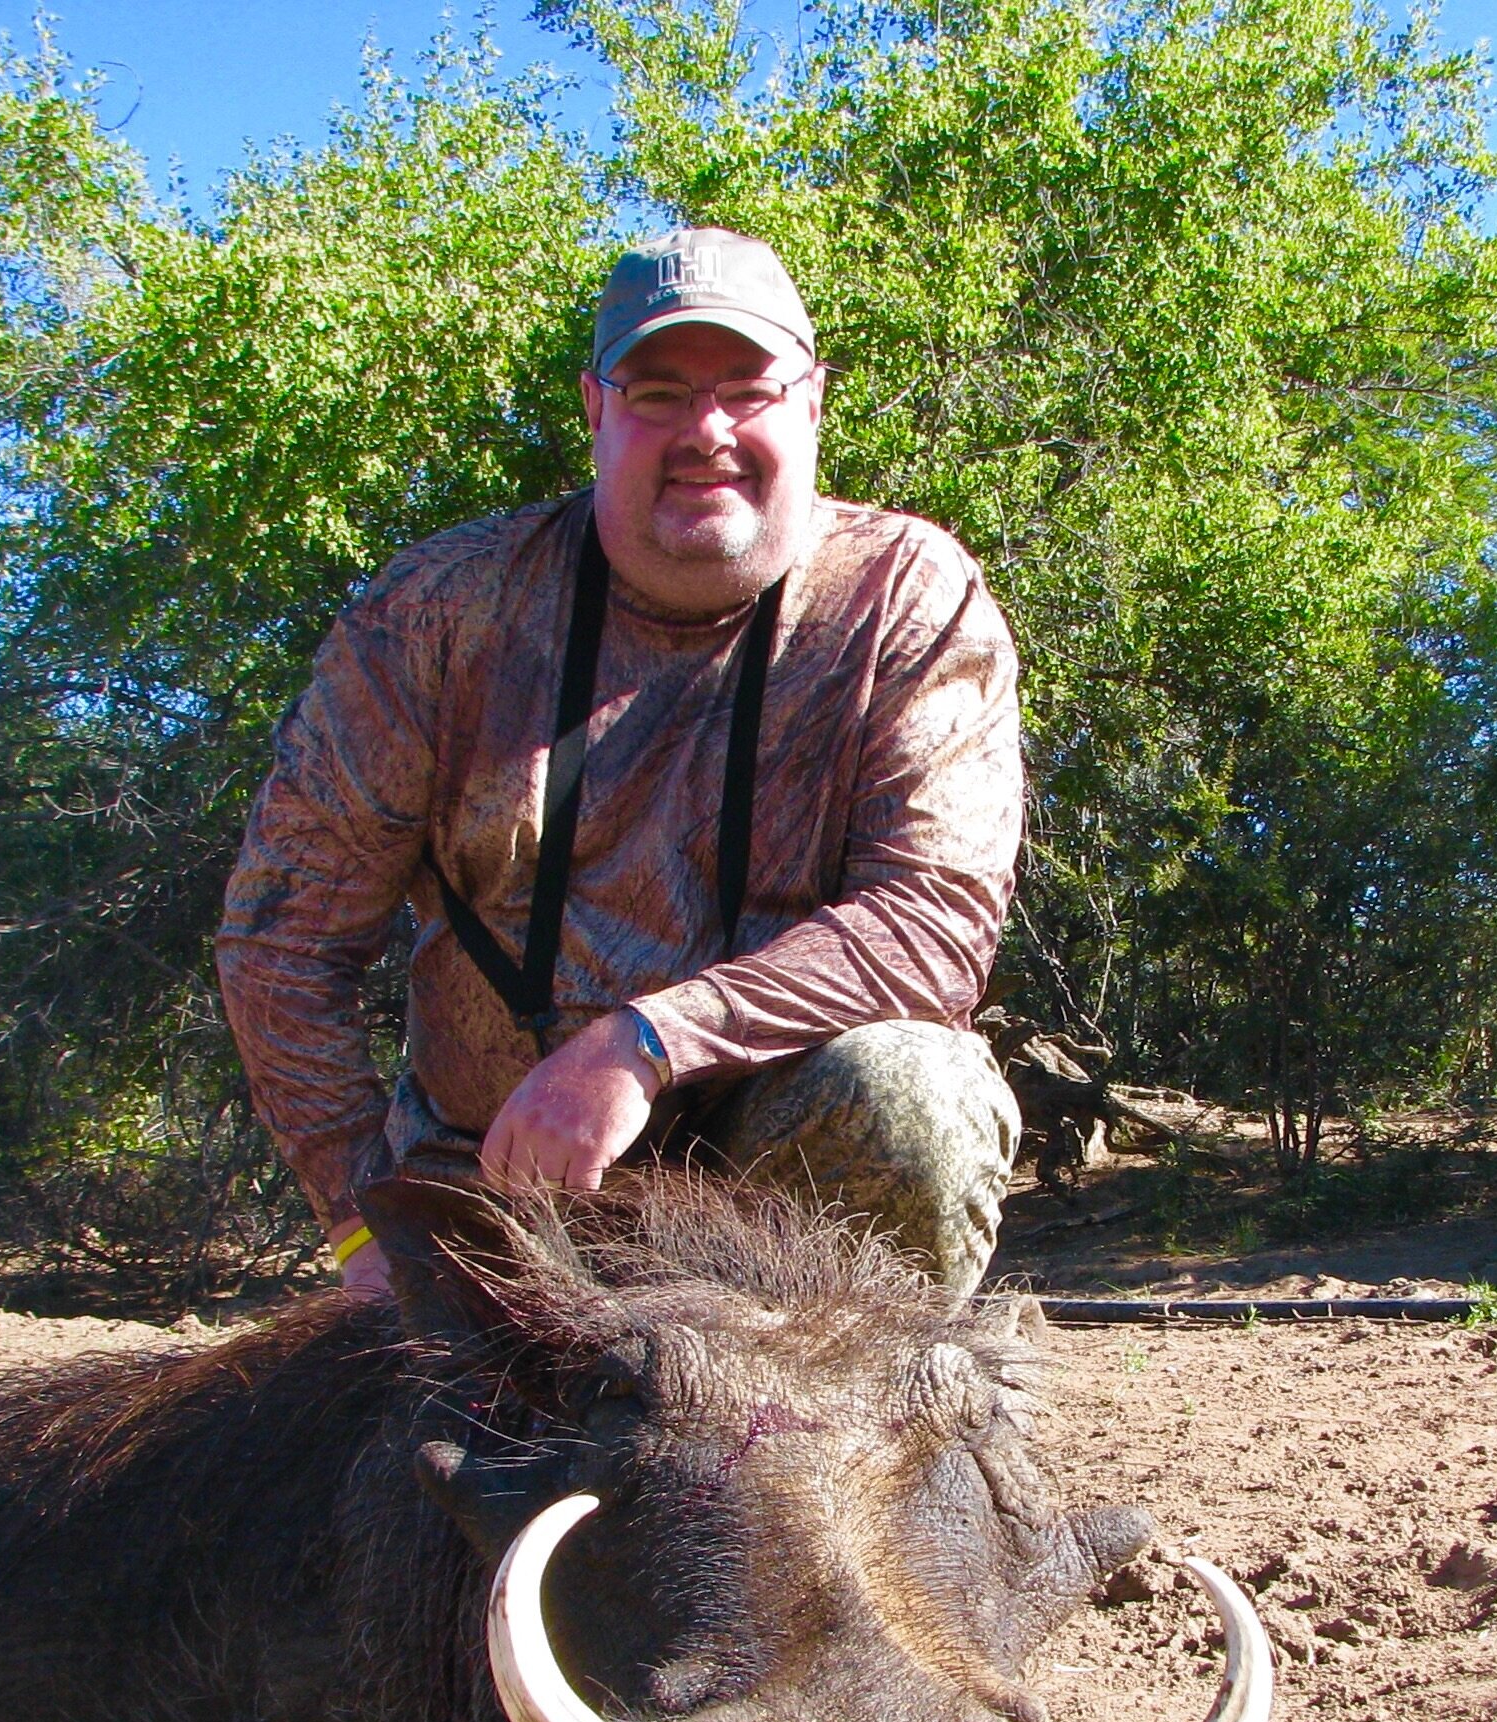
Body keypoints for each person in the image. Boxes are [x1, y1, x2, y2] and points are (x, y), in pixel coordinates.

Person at [217, 226, 1025, 1303]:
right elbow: (281, 944)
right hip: (498, 1201)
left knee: (912, 1091)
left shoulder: (904, 597)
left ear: (812, 399)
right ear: (596, 408)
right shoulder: (437, 614)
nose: (707, 431)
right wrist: (364, 1229)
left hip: (776, 1203)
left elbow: (931, 926)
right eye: (657, 392)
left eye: (747, 387)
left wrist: (642, 1044)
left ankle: (854, 1431)